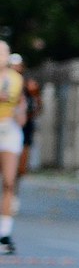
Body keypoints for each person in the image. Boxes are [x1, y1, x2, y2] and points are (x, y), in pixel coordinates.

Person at [0, 41, 25, 255]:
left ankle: (5, 233)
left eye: (4, 53)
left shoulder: (16, 79)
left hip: (8, 129)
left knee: (9, 182)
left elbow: (21, 103)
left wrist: (21, 112)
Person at [9, 54, 41, 189]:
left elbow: (38, 108)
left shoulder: (29, 85)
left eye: (18, 66)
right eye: (13, 66)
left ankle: (13, 191)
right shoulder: (3, 82)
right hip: (6, 127)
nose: (16, 69)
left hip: (24, 129)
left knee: (21, 166)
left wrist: (36, 95)